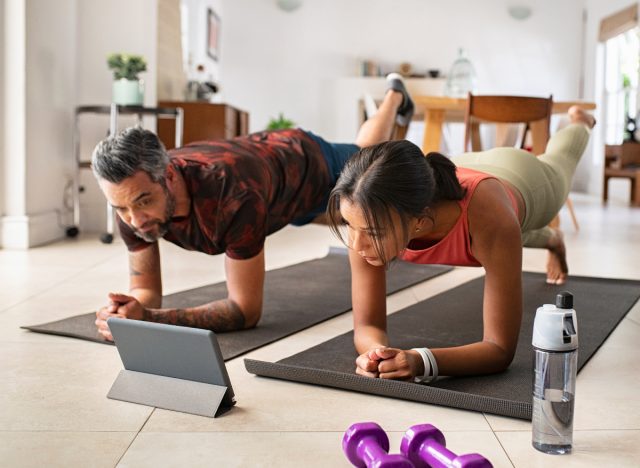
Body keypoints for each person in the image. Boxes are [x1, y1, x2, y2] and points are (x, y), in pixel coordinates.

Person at [91, 74, 414, 341]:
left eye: (144, 202)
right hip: (271, 193)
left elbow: (245, 311)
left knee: (369, 155)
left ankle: (394, 96)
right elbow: (145, 290)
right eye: (120, 208)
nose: (134, 219)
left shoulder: (232, 196)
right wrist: (128, 311)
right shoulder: (131, 200)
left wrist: (150, 319)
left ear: (170, 175)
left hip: (307, 164)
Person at [326, 94, 595, 382]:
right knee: (501, 240)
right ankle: (552, 239)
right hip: (458, 171)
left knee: (559, 163)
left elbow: (499, 349)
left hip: (521, 177)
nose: (355, 244)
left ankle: (581, 122)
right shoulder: (368, 211)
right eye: (349, 226)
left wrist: (422, 361)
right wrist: (377, 354)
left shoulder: (492, 220)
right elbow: (366, 324)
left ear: (419, 222)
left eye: (372, 233)